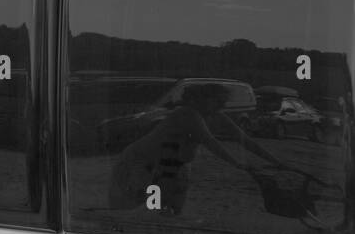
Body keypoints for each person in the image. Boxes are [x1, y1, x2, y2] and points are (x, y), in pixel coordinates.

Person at [108, 82, 288, 216]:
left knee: (171, 207)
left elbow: (245, 141)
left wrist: (276, 161)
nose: (221, 105)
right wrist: (238, 164)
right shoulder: (187, 113)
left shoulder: (216, 115)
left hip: (174, 165)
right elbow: (211, 143)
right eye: (217, 101)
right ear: (199, 99)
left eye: (222, 101)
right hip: (142, 160)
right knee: (131, 204)